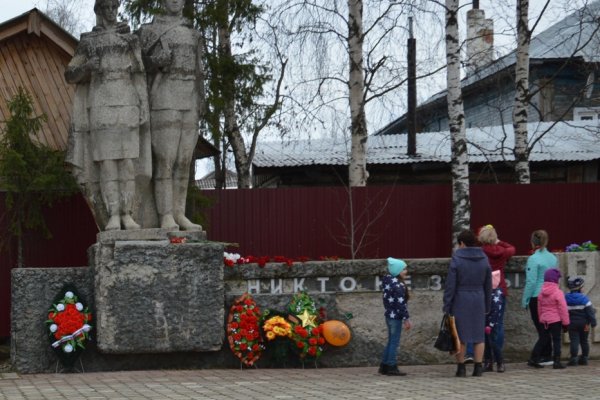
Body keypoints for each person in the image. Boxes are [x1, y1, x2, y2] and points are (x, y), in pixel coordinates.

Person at [65, 0, 150, 231]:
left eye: (115, 6)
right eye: (107, 7)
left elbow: (140, 74)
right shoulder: (88, 41)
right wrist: (87, 67)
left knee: (128, 164)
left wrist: (143, 106)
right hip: (101, 105)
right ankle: (113, 214)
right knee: (108, 164)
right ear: (99, 11)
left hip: (127, 103)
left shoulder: (129, 39)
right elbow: (70, 74)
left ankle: (127, 213)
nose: (112, 12)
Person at [137, 0, 204, 231]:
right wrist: (155, 62)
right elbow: (137, 67)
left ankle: (179, 213)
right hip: (164, 98)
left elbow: (199, 72)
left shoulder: (193, 34)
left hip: (190, 99)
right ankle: (165, 214)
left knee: (184, 161)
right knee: (166, 160)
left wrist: (200, 101)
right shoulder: (149, 31)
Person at [443, 229, 492, 377]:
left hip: (461, 299)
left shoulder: (457, 259)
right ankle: (478, 367)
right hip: (478, 298)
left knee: (461, 335)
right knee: (479, 336)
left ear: (462, 243)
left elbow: (451, 285)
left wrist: (447, 304)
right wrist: (487, 304)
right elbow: (488, 284)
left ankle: (461, 367)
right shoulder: (484, 258)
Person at [477, 224, 515, 373]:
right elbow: (512, 248)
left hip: (484, 292)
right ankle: (500, 360)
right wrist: (498, 241)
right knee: (498, 325)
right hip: (500, 290)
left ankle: (488, 361)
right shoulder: (503, 252)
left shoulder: (480, 253)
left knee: (484, 326)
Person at [522, 229, 557, 367]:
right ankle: (547, 355)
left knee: (541, 328)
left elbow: (531, 282)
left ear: (532, 242)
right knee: (547, 326)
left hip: (537, 296)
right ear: (546, 241)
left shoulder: (533, 259)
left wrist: (525, 299)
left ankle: (536, 356)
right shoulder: (553, 258)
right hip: (551, 296)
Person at [379, 257, 412, 376]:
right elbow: (401, 304)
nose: (406, 271)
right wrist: (406, 319)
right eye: (403, 269)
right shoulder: (398, 286)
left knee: (390, 341)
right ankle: (391, 366)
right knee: (394, 342)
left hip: (389, 315)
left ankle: (384, 366)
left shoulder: (388, 281)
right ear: (397, 271)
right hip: (396, 317)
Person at [536, 268, 569, 369]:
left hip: (544, 320)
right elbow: (563, 309)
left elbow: (539, 308)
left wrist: (540, 318)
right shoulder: (558, 292)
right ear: (555, 280)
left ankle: (534, 358)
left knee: (543, 339)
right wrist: (566, 323)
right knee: (556, 340)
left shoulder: (541, 292)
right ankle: (557, 361)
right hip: (556, 320)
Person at [565, 276, 597, 366]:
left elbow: (564, 311)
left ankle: (574, 359)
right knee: (584, 340)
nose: (583, 289)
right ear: (579, 288)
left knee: (574, 341)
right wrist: (593, 322)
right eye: (583, 287)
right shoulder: (584, 299)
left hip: (572, 324)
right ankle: (584, 358)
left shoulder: (566, 298)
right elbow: (590, 312)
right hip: (585, 325)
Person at [483, 270, 505, 372]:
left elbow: (496, 312)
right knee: (486, 343)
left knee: (493, 343)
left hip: (492, 324)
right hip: (485, 322)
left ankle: (500, 362)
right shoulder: (487, 293)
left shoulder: (496, 294)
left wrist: (490, 325)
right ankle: (488, 362)